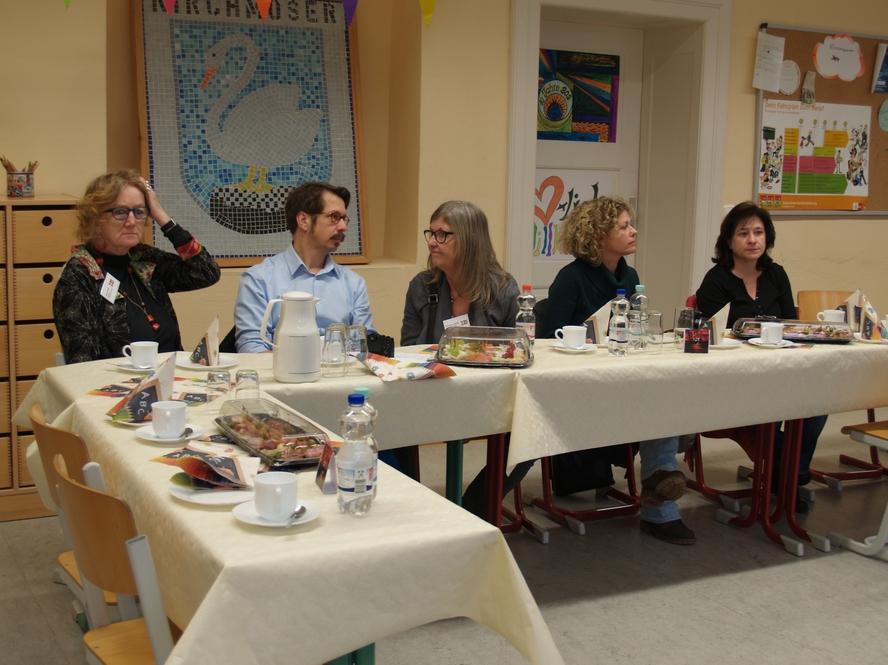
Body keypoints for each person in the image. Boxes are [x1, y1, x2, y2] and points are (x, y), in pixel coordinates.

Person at [539, 196, 694, 545]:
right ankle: (661, 498)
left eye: (631, 224)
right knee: (657, 408)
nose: (633, 231)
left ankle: (661, 490)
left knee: (665, 397)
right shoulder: (570, 278)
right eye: (624, 226)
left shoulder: (630, 275)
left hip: (623, 378)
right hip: (580, 386)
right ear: (598, 235)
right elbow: (548, 341)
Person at [401, 200, 531, 515]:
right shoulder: (422, 286)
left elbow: (519, 349)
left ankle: (474, 509)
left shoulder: (503, 288)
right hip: (431, 393)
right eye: (431, 233)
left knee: (531, 431)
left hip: (488, 397)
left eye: (443, 234)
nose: (432, 242)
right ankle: (411, 508)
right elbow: (407, 348)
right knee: (391, 416)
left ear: (470, 239)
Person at [695, 201, 826, 507]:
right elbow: (705, 334)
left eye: (758, 232)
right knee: (767, 413)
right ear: (729, 241)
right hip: (732, 376)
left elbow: (790, 325)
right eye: (744, 233)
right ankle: (788, 478)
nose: (752, 240)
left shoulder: (776, 274)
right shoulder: (716, 279)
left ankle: (790, 474)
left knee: (818, 403)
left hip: (778, 368)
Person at [53, 170, 221, 364]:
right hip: (118, 382)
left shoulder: (143, 259)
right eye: (120, 212)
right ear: (96, 219)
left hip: (172, 377)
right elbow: (83, 363)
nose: (132, 222)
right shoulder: (79, 275)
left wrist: (162, 216)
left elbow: (206, 272)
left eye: (139, 212)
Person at [235, 182, 374, 352]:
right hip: (280, 369)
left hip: (339, 367)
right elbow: (251, 348)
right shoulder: (259, 279)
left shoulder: (354, 283)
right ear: (303, 221)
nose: (343, 227)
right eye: (334, 217)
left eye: (344, 219)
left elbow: (364, 345)